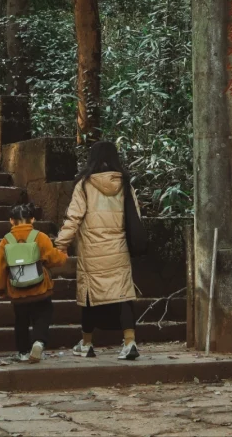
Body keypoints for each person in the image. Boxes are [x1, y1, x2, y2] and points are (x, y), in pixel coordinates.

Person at [57, 139, 141, 360]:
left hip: (92, 253)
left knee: (88, 297)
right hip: (118, 250)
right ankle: (130, 342)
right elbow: (135, 218)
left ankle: (86, 344)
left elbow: (73, 218)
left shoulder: (84, 185)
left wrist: (61, 244)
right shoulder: (125, 184)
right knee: (123, 296)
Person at [0, 200, 68, 363]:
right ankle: (39, 341)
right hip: (40, 289)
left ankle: (23, 352)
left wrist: (0, 289)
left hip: (17, 291)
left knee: (21, 321)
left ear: (11, 221)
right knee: (44, 314)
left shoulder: (6, 241)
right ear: (32, 219)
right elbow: (53, 258)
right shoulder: (40, 237)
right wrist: (63, 255)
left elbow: (0, 268)